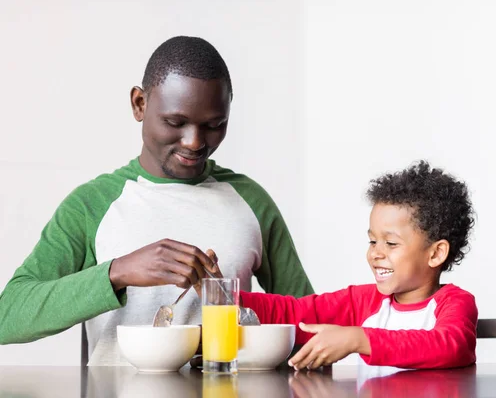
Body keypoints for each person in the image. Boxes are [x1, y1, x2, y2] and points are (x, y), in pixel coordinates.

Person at [0, 36, 313, 365]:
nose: (194, 142)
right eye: (175, 123)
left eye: (213, 125)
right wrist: (117, 273)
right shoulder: (91, 205)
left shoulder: (251, 201)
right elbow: (8, 317)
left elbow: (312, 323)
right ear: (139, 104)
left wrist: (238, 327)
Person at [232, 160, 477, 370]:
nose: (375, 253)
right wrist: (225, 296)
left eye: (391, 243)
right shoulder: (360, 301)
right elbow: (294, 312)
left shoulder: (455, 302)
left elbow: (451, 345)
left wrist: (359, 339)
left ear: (436, 253)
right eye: (373, 240)